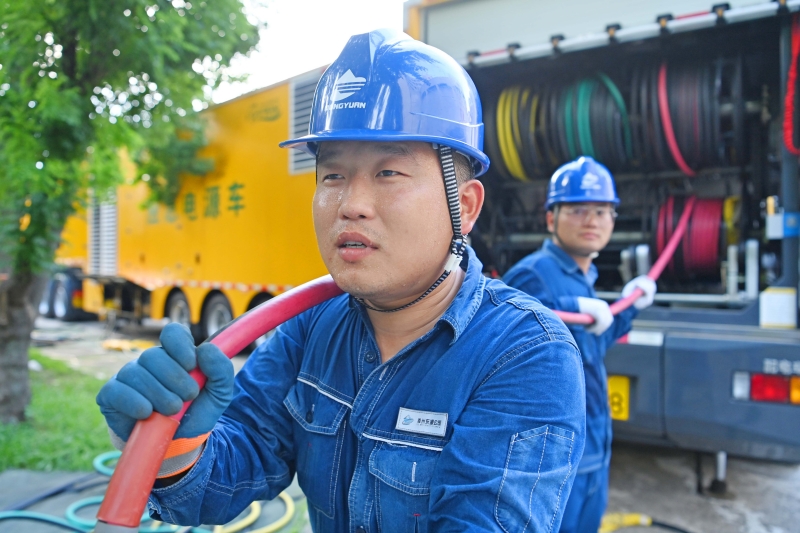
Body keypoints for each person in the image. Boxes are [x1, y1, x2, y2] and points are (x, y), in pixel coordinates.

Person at [97, 29, 586, 532]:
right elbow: (230, 476)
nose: (351, 204)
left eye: (388, 173)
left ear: (464, 206)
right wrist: (172, 444)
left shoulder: (525, 353)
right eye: (333, 176)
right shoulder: (310, 327)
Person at [503, 156, 656, 533]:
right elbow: (510, 328)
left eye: (602, 211)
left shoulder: (583, 275)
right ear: (551, 218)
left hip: (594, 445)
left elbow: (592, 344)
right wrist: (571, 306)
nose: (592, 220)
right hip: (557, 453)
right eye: (578, 210)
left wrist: (630, 306)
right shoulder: (534, 273)